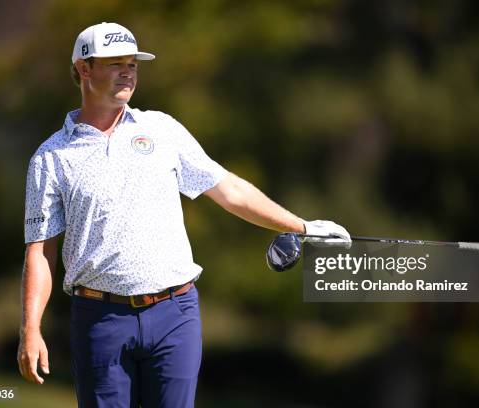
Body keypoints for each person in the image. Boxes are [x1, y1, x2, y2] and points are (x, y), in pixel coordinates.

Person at [17, 22, 351, 408]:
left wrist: (303, 226)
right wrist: (30, 329)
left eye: (133, 64)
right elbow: (40, 252)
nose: (128, 72)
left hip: (174, 314)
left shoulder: (162, 129)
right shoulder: (51, 156)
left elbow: (229, 191)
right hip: (100, 319)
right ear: (84, 69)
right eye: (115, 64)